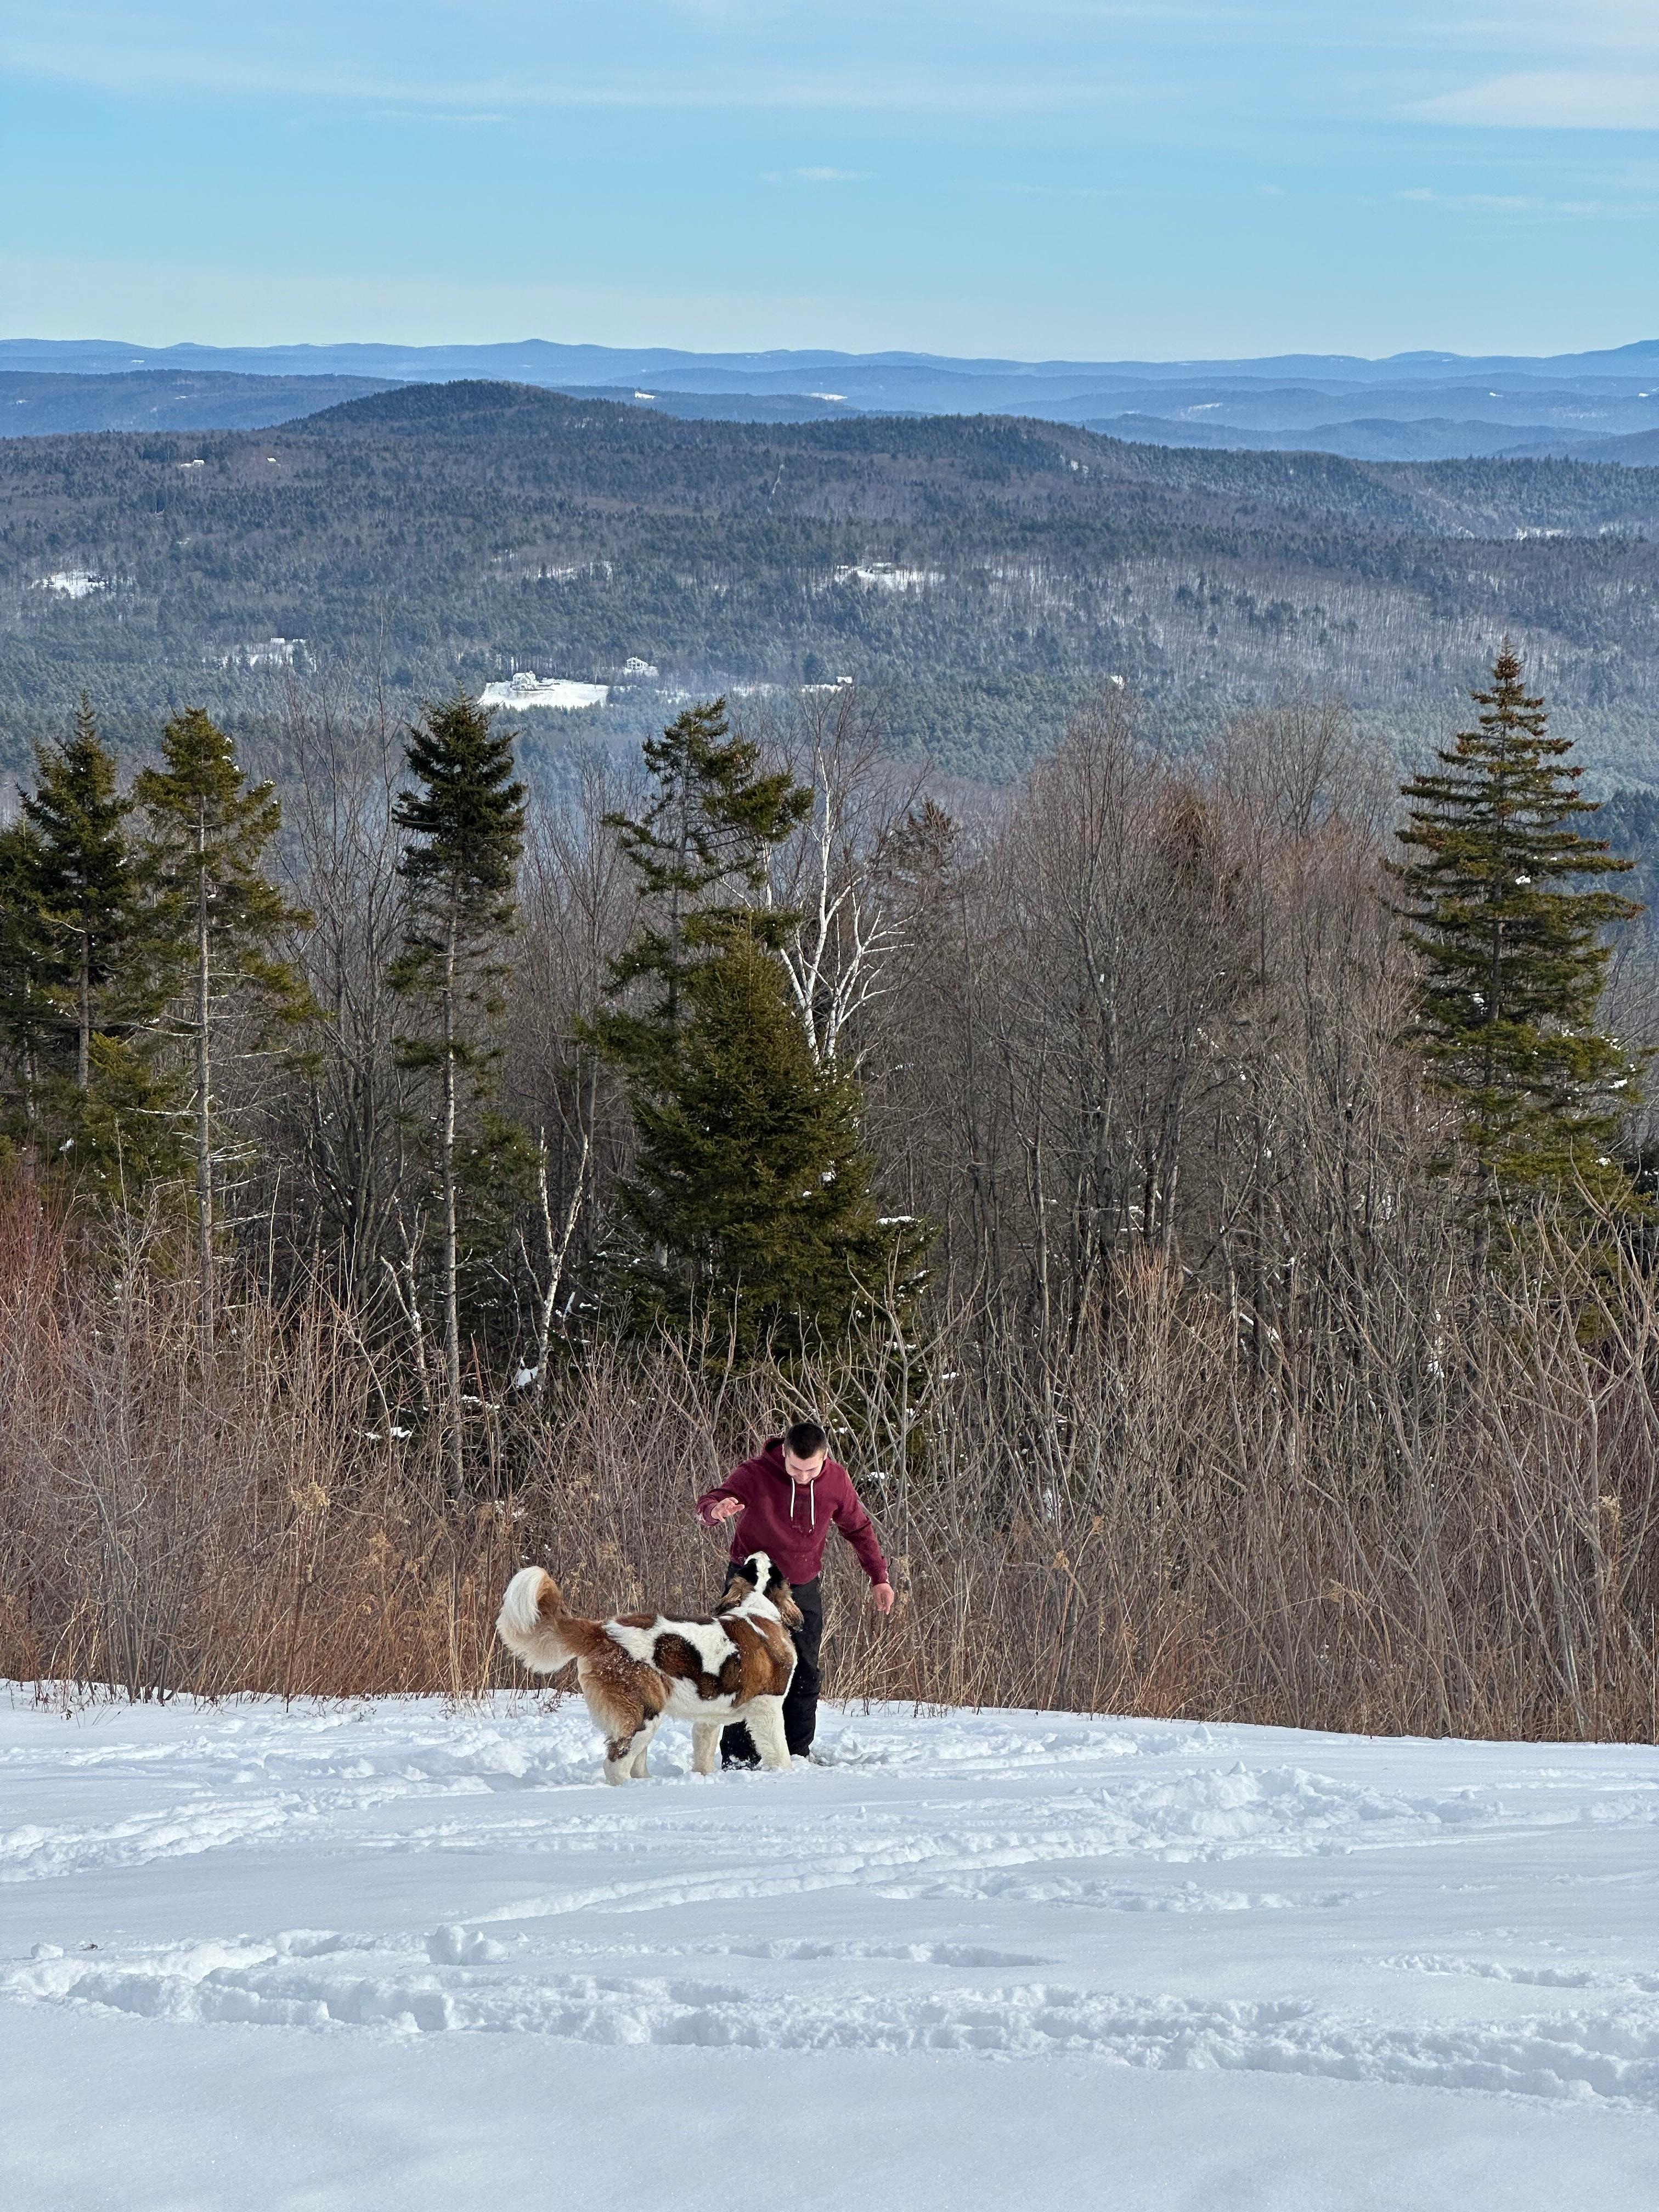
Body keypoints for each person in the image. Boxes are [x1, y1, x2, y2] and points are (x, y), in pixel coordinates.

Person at [695, 1419, 895, 1765]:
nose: (802, 1477)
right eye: (795, 1468)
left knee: (803, 1667)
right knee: (744, 1666)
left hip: (801, 1585)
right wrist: (716, 1510)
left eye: (810, 1470)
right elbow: (710, 1502)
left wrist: (879, 1576)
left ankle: (796, 1753)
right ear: (784, 1454)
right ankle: (739, 1757)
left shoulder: (836, 1481)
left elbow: (859, 1529)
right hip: (751, 1582)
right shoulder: (757, 1473)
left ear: (825, 1458)